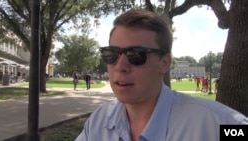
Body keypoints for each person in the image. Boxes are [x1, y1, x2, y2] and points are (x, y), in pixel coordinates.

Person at [75, 9, 247, 141]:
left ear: (165, 63)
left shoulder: (219, 125)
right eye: (111, 54)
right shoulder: (98, 122)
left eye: (135, 55)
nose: (120, 66)